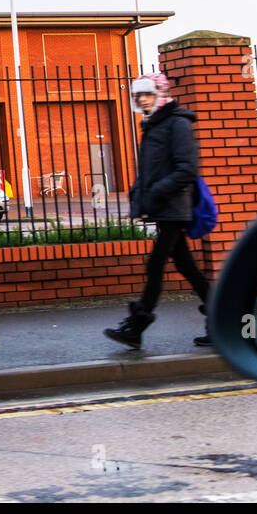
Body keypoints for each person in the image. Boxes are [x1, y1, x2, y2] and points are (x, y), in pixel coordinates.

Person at [104, 73, 213, 349]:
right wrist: (138, 192)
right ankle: (225, 318)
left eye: (147, 94)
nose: (141, 99)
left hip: (175, 207)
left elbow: (187, 168)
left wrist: (155, 191)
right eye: (137, 95)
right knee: (187, 267)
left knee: (155, 264)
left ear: (160, 93)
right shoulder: (152, 124)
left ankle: (137, 325)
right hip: (164, 207)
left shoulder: (177, 124)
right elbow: (151, 170)